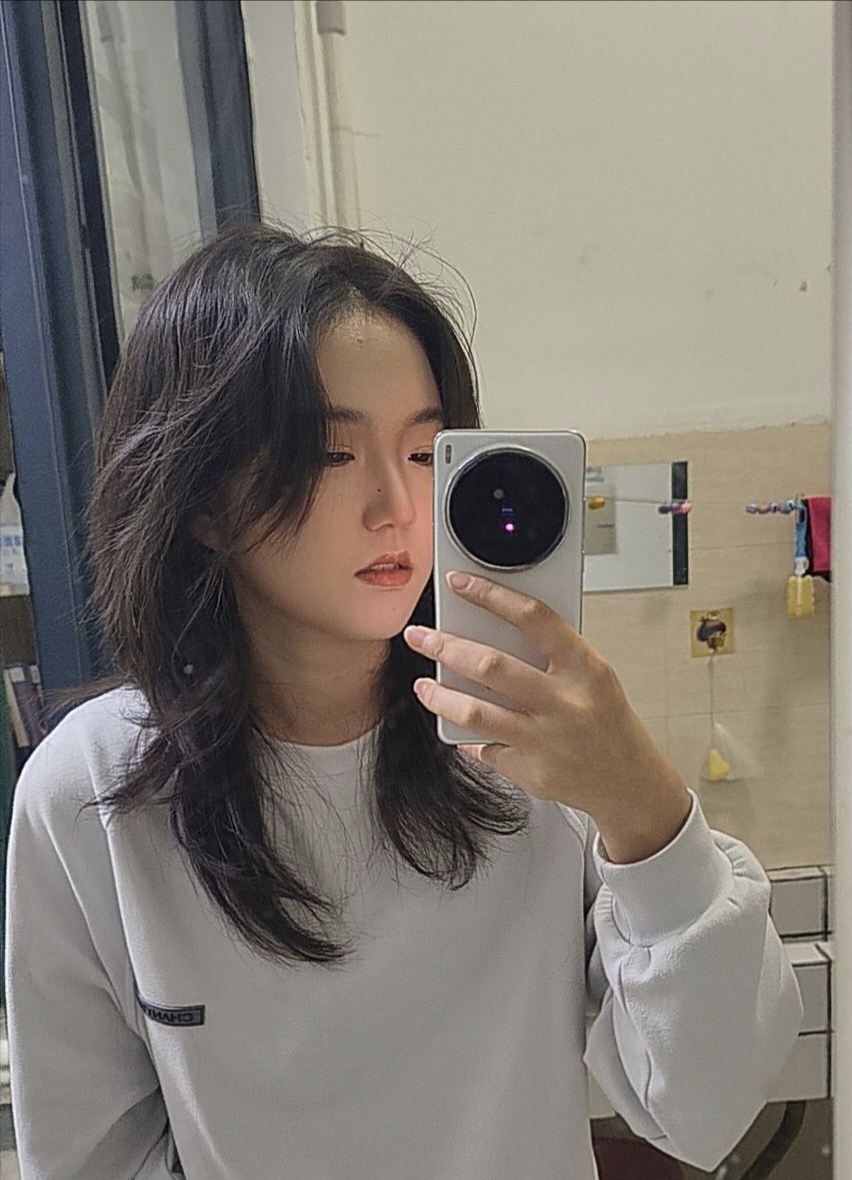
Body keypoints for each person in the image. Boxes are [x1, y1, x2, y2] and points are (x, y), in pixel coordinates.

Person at [4, 223, 801, 1180]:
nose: (397, 507)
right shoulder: (89, 792)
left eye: (427, 454)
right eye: (331, 455)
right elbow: (90, 1160)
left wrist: (645, 808)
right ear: (204, 498)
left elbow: (705, 1108)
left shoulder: (528, 744)